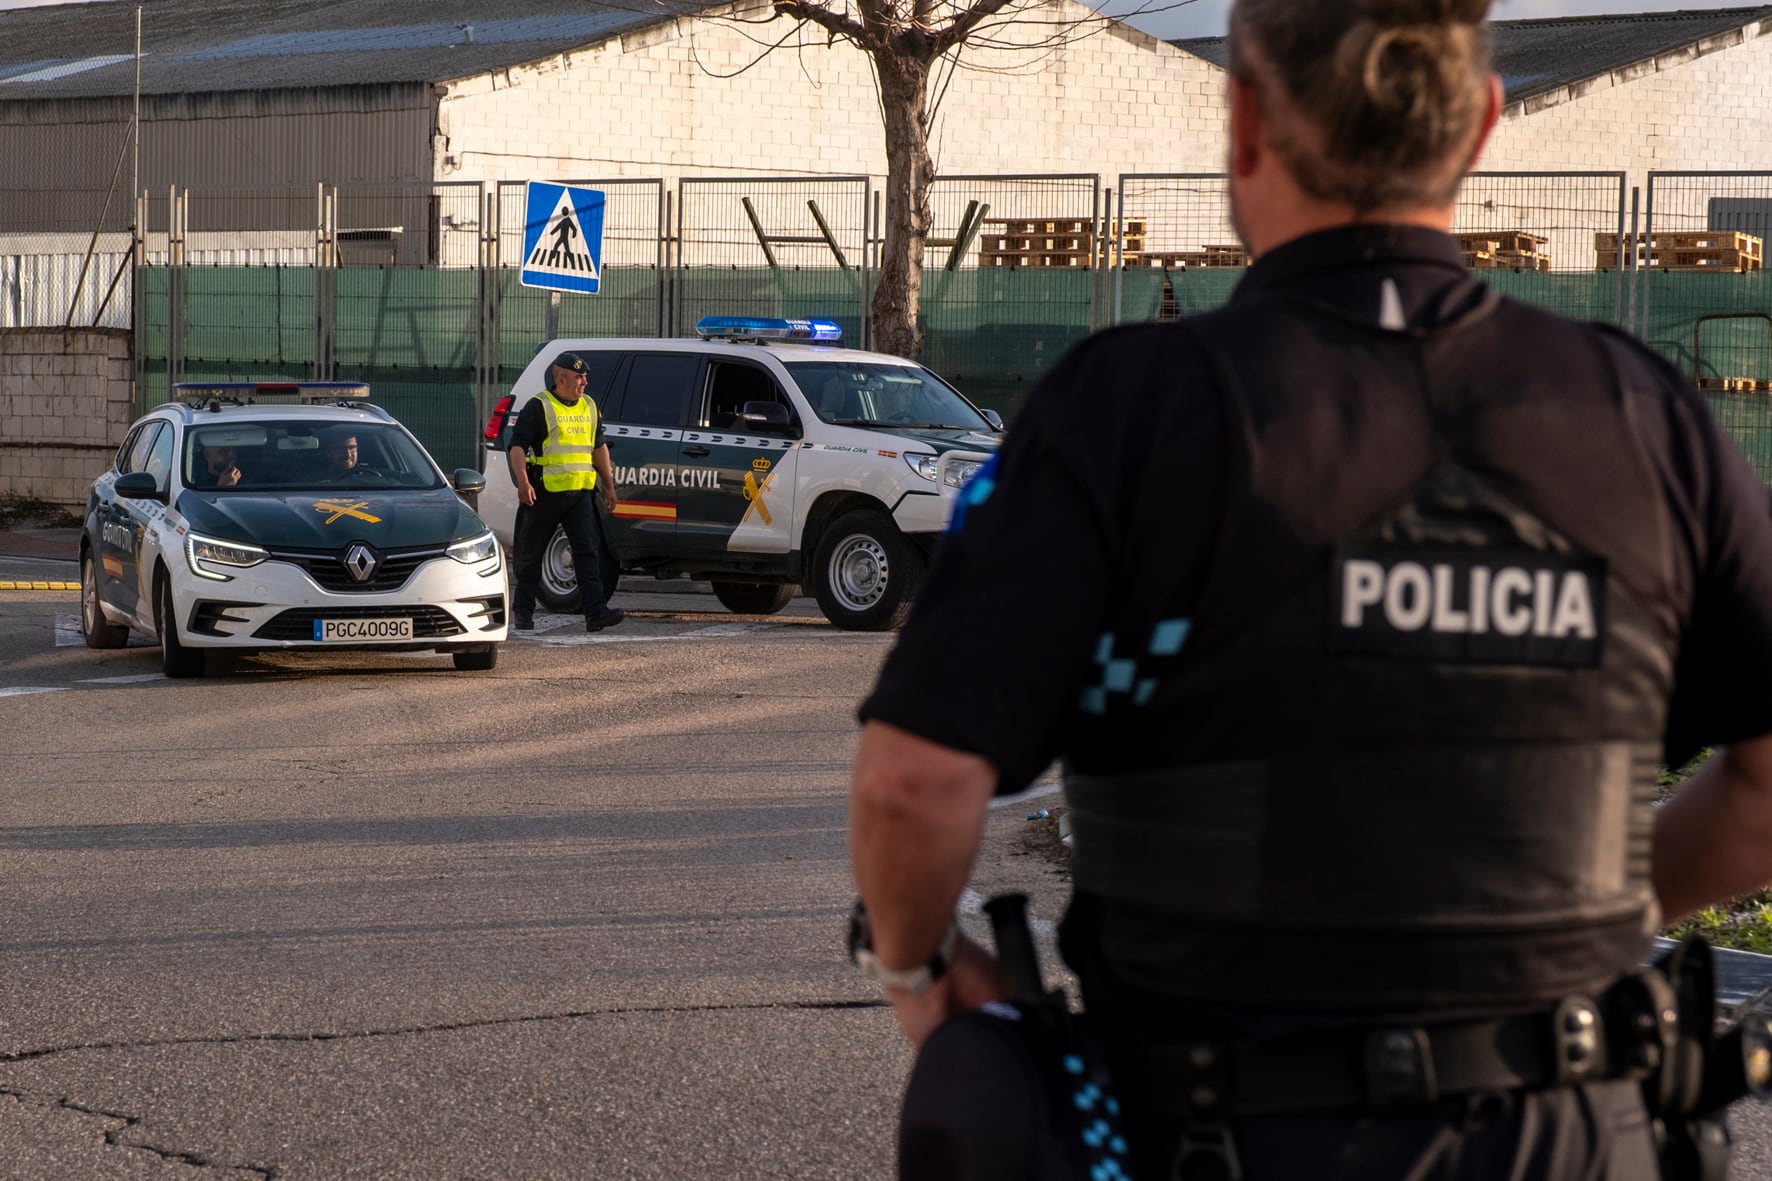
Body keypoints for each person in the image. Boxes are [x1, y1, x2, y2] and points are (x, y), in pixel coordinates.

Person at [846, 1, 1772, 1178]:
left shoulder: (1127, 411)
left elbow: (912, 781)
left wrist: (921, 970)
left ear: (1242, 119)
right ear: (1481, 123)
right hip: (1570, 1127)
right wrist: (1589, 904)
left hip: (1220, 1133)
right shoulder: (1642, 418)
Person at [508, 351, 623, 632]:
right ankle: (523, 613)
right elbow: (517, 447)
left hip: (580, 494)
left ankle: (596, 613)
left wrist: (609, 486)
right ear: (561, 378)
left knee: (587, 553)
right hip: (545, 492)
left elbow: (599, 448)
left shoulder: (589, 406)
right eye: (578, 376)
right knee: (531, 554)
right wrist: (523, 484)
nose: (584, 381)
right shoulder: (539, 406)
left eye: (585, 376)